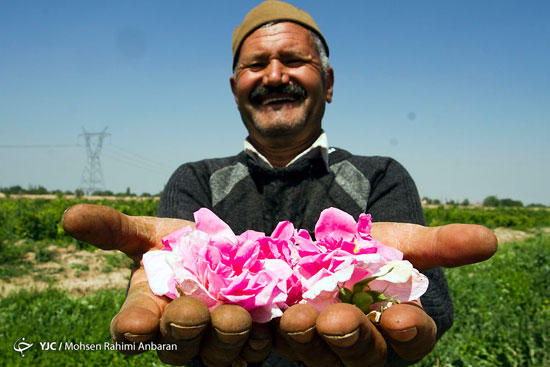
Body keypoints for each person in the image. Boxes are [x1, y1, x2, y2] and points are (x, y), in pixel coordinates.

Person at [62, 1, 498, 366]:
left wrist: (369, 298)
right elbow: (165, 299)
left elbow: (429, 307)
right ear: (235, 89)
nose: (274, 76)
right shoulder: (196, 179)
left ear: (327, 83)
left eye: (294, 61)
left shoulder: (380, 175)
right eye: (255, 65)